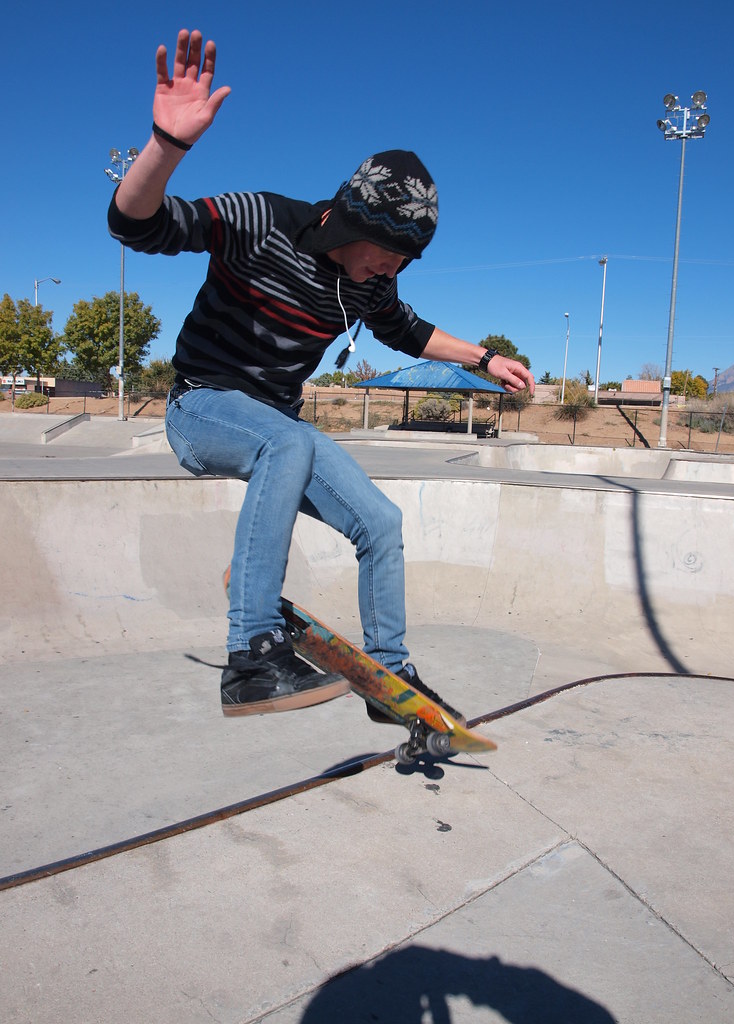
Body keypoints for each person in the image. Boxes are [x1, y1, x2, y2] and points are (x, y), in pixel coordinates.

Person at [109, 29, 535, 721]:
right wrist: (166, 145)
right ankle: (251, 654)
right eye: (386, 252)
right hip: (202, 405)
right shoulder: (261, 221)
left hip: (277, 423)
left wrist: (485, 359)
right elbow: (138, 226)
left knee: (380, 521)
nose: (390, 270)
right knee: (287, 442)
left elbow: (409, 330)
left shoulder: (369, 285)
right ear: (347, 220)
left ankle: (390, 676)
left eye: (405, 261)